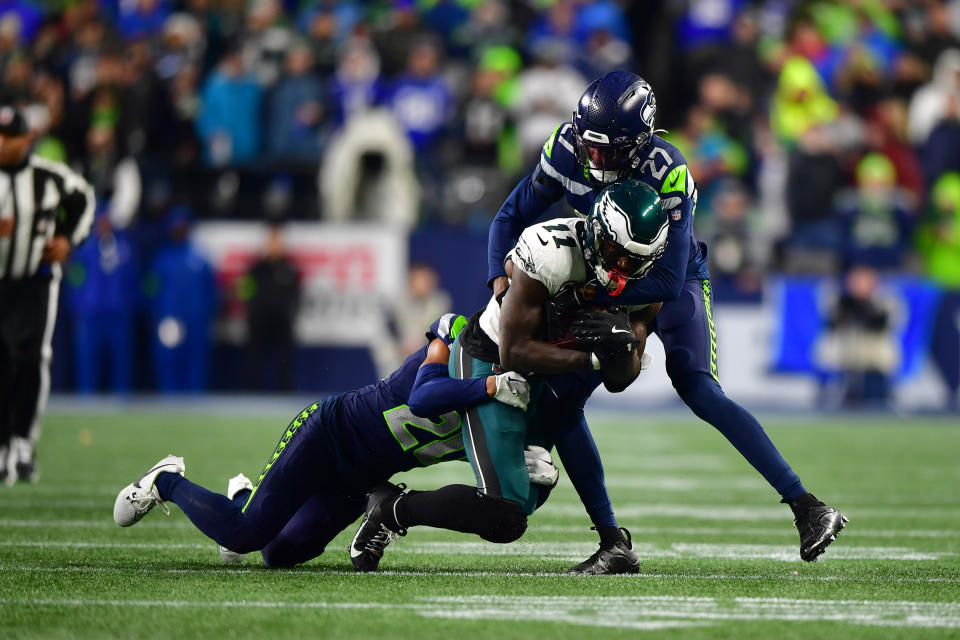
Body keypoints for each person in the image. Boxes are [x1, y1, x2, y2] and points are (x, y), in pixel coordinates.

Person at [484, 72, 847, 562]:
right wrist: (499, 281)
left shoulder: (668, 170)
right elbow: (508, 217)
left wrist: (589, 294)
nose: (596, 159)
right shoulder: (566, 147)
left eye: (610, 151)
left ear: (641, 142)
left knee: (695, 384)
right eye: (592, 146)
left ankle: (807, 505)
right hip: (605, 278)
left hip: (662, 280)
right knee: (564, 399)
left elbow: (668, 282)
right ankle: (613, 543)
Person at [350, 180, 665, 575]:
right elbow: (512, 350)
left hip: (544, 372)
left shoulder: (648, 286)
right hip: (493, 359)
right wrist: (593, 358)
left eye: (635, 263)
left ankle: (612, 541)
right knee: (503, 515)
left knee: (536, 471)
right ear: (598, 233)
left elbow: (622, 379)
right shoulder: (550, 252)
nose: (624, 271)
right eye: (618, 256)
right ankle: (392, 510)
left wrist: (621, 351)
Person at [112, 313, 539, 568]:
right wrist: (489, 388)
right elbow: (427, 398)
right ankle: (165, 480)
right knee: (243, 536)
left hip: (360, 478)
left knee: (279, 555)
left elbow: (491, 472)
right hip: (328, 433)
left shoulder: (507, 403)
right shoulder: (455, 333)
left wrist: (528, 472)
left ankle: (244, 493)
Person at [0, 103, 95, 484]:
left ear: (28, 138)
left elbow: (84, 200)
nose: (4, 144)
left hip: (35, 281)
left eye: (10, 136)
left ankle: (23, 442)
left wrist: (67, 240)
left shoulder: (49, 177)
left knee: (31, 358)